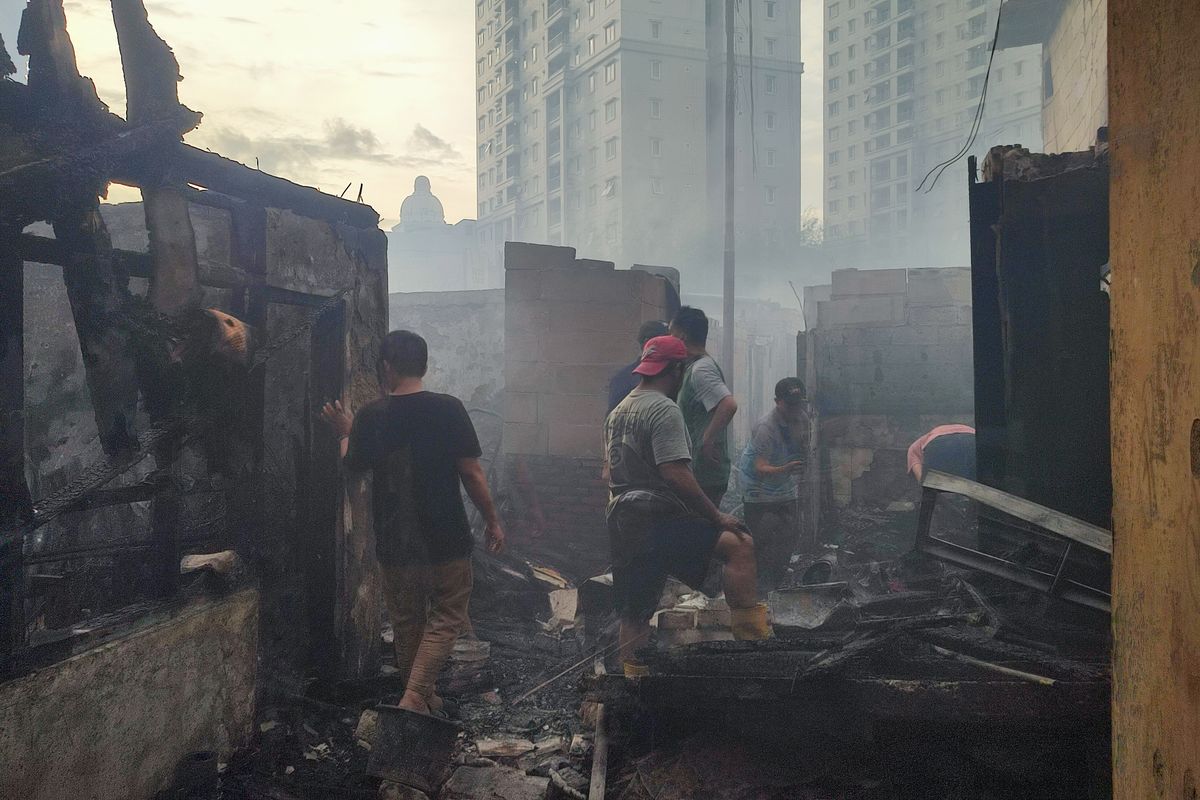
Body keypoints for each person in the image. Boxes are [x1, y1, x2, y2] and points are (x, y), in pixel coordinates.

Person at [321, 330, 505, 716]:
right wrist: (492, 521)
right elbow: (472, 474)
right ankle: (415, 698)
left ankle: (422, 700)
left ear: (387, 367)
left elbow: (351, 465)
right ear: (424, 365)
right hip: (446, 539)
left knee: (407, 624)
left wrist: (346, 432)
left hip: (395, 543)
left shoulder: (372, 415)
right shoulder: (449, 408)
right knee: (446, 617)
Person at [604, 335, 770, 676]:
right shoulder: (664, 409)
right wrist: (716, 515)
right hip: (656, 521)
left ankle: (629, 685)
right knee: (739, 545)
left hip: (622, 522)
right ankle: (756, 650)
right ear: (677, 370)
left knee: (634, 613)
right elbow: (675, 473)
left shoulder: (620, 410)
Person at [737, 378, 811, 591]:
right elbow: (760, 467)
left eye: (799, 404)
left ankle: (776, 586)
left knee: (788, 534)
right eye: (789, 405)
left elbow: (803, 447)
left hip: (784, 481)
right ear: (777, 401)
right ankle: (757, 590)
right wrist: (786, 469)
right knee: (763, 540)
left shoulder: (803, 419)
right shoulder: (765, 427)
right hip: (758, 486)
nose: (794, 410)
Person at [669, 307, 738, 506]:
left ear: (681, 336)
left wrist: (707, 441)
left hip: (704, 476)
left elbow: (728, 404)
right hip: (699, 473)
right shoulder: (694, 367)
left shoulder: (702, 369)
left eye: (671, 335)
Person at [607, 320, 669, 414]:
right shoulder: (624, 378)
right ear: (647, 342)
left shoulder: (674, 372)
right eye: (665, 341)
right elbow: (613, 419)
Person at [908, 424, 977, 483]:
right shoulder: (923, 440)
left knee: (931, 485)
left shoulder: (913, 448)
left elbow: (922, 479)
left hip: (940, 442)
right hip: (972, 438)